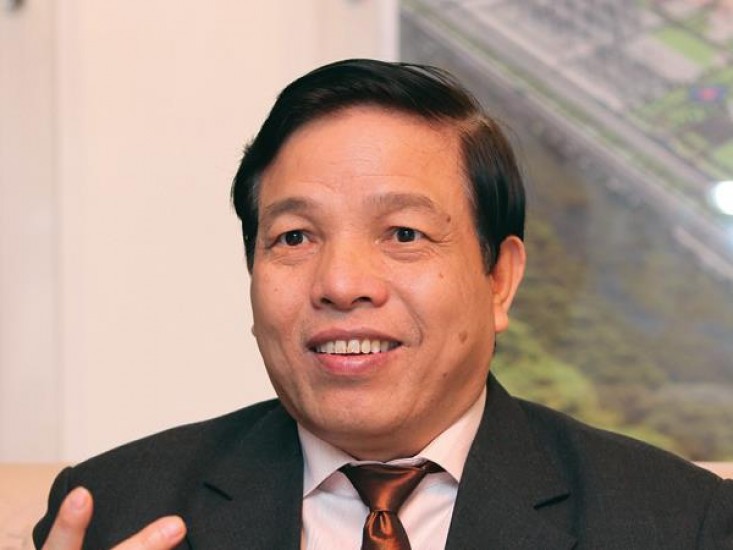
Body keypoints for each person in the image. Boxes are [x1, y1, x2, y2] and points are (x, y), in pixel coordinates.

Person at [34, 59, 732, 550]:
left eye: (403, 234)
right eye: (294, 237)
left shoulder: (680, 524)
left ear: (499, 279)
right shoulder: (113, 509)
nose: (341, 283)